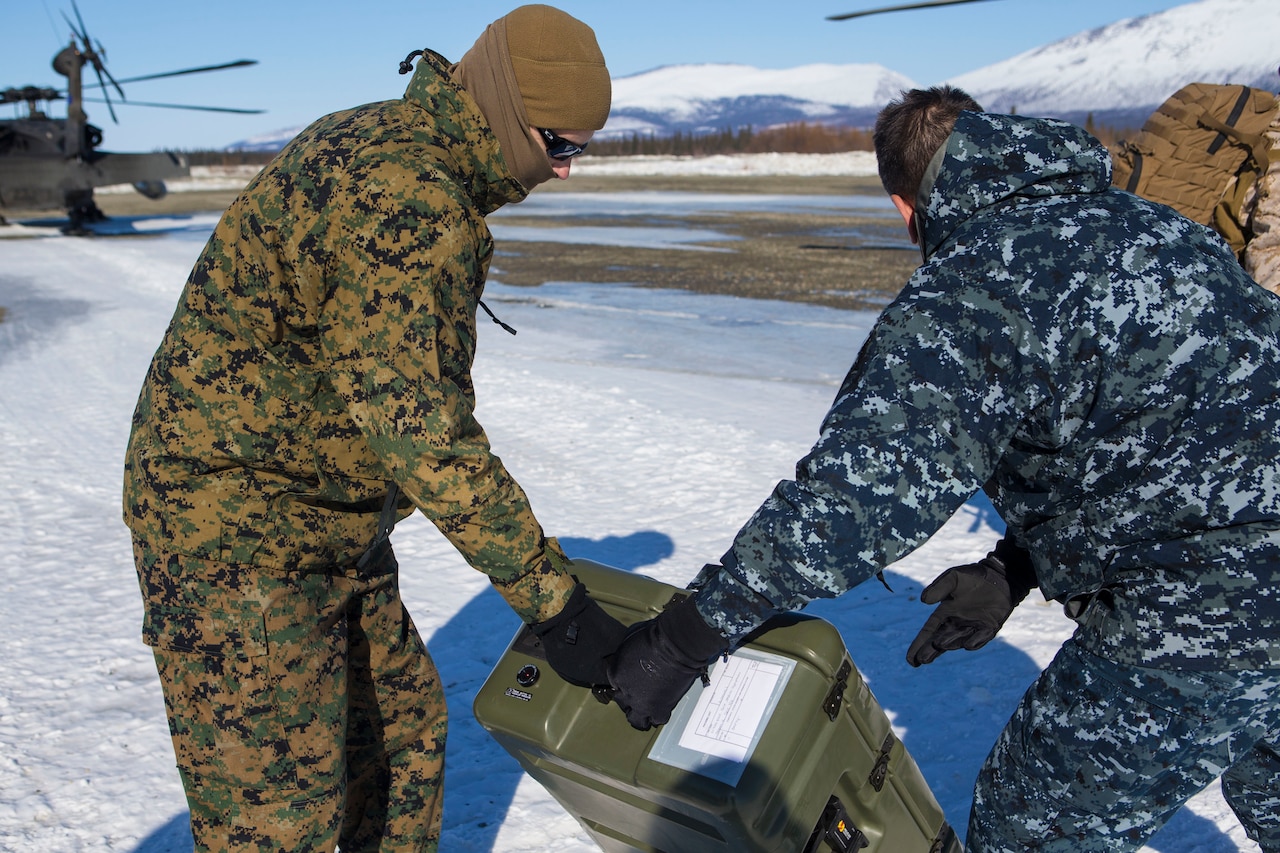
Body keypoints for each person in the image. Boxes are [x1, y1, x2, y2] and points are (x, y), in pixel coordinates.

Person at [606, 86, 1280, 852]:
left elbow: (854, 499)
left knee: (1030, 827)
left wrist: (686, 636)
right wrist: (1012, 565)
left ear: (906, 207)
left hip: (1208, 602)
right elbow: (1178, 441)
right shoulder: (1155, 226)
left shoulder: (979, 280)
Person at [122, 6, 626, 851]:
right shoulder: (409, 196)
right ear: (506, 106)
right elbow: (421, 431)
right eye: (560, 145)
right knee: (283, 822)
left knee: (398, 746)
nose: (565, 172)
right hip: (234, 537)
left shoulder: (405, 151)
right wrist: (557, 604)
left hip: (327, 523)